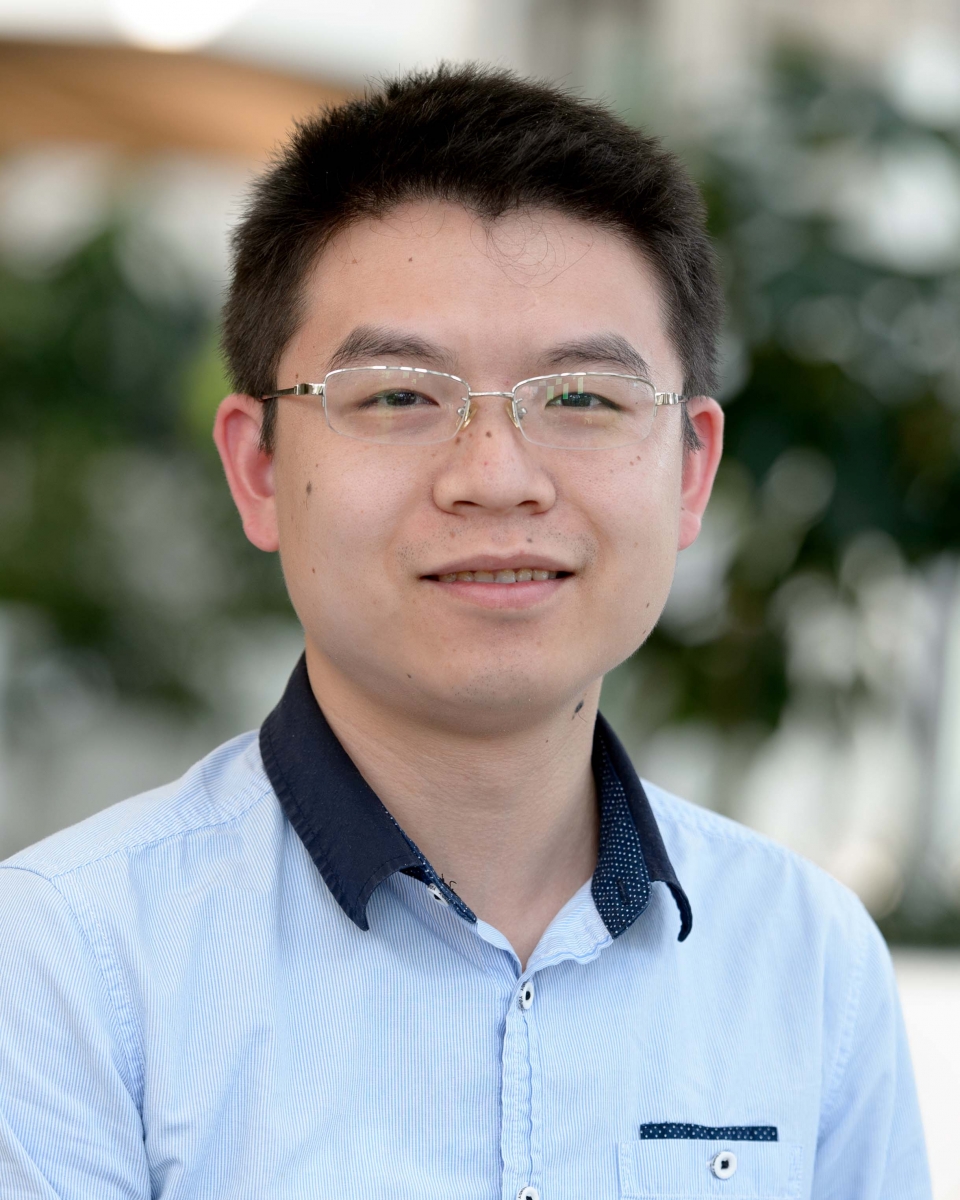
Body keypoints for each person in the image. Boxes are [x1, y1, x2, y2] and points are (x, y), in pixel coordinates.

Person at [0, 66, 929, 1200]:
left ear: (692, 472)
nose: (496, 478)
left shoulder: (808, 961)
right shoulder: (72, 966)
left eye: (583, 398)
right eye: (398, 394)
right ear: (257, 467)